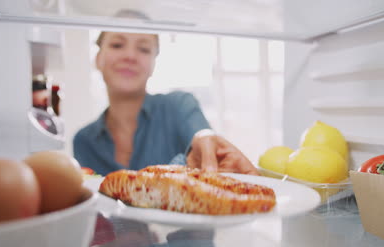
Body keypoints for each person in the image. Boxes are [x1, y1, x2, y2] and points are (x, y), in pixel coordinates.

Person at [73, 29, 258, 176]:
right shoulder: (83, 141)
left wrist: (206, 139)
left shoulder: (179, 105)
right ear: (98, 59)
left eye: (144, 49)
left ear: (153, 64)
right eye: (117, 45)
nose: (130, 55)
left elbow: (201, 135)